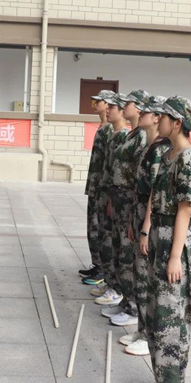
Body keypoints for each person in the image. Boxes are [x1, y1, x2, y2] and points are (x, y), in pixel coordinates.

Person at [145, 96, 191, 383]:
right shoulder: (169, 153)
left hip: (175, 242)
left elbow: (185, 210)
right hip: (161, 237)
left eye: (164, 116)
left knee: (170, 317)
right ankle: (163, 377)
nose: (158, 120)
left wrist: (174, 257)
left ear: (178, 123)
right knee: (157, 314)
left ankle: (171, 380)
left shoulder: (187, 157)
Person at [121, 95, 170, 357]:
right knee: (139, 275)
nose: (141, 113)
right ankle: (141, 329)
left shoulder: (161, 149)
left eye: (146, 111)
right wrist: (133, 219)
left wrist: (145, 229)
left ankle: (149, 336)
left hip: (150, 219)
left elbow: (154, 193)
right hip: (139, 213)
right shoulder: (148, 147)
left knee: (146, 278)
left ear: (157, 117)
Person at [100, 90, 149, 327]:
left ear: (138, 108)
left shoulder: (142, 137)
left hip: (130, 201)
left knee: (129, 255)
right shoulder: (132, 134)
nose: (123, 106)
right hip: (119, 198)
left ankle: (133, 308)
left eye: (127, 103)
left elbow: (137, 177)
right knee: (120, 251)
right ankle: (125, 299)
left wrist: (131, 210)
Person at [91, 93, 131, 306]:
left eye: (112, 107)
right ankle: (109, 281)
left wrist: (111, 198)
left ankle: (116, 287)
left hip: (114, 196)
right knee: (105, 237)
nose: (108, 109)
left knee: (113, 243)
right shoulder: (113, 134)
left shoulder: (124, 136)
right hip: (105, 191)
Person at [79, 90, 116, 285]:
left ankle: (102, 268)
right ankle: (97, 263)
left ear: (108, 104)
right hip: (95, 185)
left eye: (99, 102)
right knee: (92, 227)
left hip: (102, 188)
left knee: (99, 228)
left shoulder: (110, 129)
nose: (95, 105)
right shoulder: (103, 127)